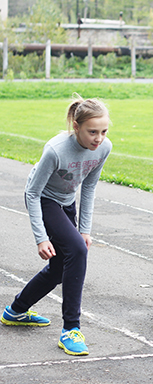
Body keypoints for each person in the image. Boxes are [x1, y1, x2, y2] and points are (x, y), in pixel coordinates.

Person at [1, 93, 113, 356]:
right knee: (77, 251)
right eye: (92, 131)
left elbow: (89, 186)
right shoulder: (56, 149)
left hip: (65, 202)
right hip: (44, 200)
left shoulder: (104, 148)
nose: (98, 138)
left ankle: (16, 311)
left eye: (104, 131)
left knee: (61, 264)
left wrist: (84, 229)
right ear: (76, 127)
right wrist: (41, 238)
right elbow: (33, 193)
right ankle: (70, 329)